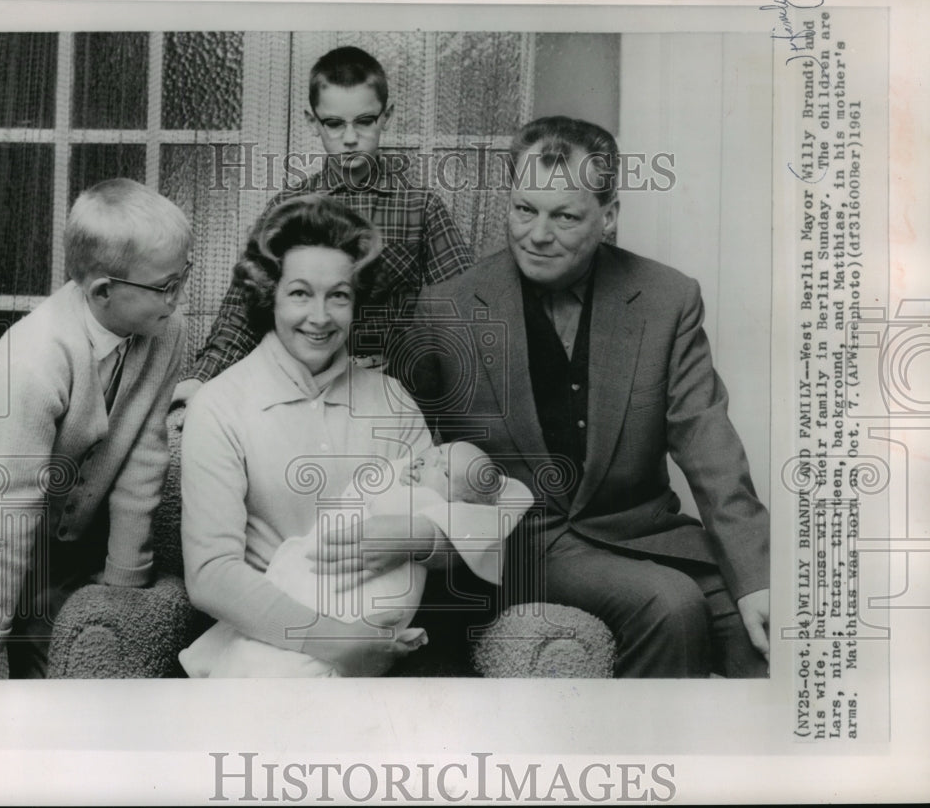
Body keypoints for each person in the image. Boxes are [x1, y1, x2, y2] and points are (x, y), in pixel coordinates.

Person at [391, 116, 771, 678]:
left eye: (564, 216)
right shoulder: (446, 308)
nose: (537, 234)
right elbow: (409, 452)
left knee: (777, 632)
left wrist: (756, 576)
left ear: (608, 216)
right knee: (669, 604)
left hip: (645, 532)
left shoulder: (668, 299)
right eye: (524, 209)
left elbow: (708, 442)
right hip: (522, 546)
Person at [181, 195, 488, 677]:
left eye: (338, 296)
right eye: (300, 293)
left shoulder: (393, 400)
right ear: (270, 294)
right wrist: (335, 642)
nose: (320, 317)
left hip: (389, 645)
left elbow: (464, 530)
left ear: (357, 300)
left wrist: (418, 536)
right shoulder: (220, 406)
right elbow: (210, 576)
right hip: (270, 653)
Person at [0, 178, 191, 679]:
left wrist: (124, 580)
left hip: (55, 540)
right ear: (103, 291)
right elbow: (11, 506)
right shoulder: (34, 359)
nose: (179, 296)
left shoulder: (168, 331)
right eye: (167, 286)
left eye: (183, 276)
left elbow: (145, 455)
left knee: (52, 682)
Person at [171, 45, 474, 408]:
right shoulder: (287, 209)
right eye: (333, 123)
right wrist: (201, 378)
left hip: (390, 391)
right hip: (301, 386)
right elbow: (242, 313)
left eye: (365, 121)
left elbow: (462, 311)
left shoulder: (420, 206)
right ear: (312, 122)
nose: (350, 138)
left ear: (386, 116)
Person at [178, 440, 531, 677]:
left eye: (444, 470)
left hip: (362, 598)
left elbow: (499, 509)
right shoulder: (222, 406)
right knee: (270, 650)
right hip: (299, 588)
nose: (430, 458)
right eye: (438, 451)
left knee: (284, 667)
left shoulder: (425, 500)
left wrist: (421, 533)